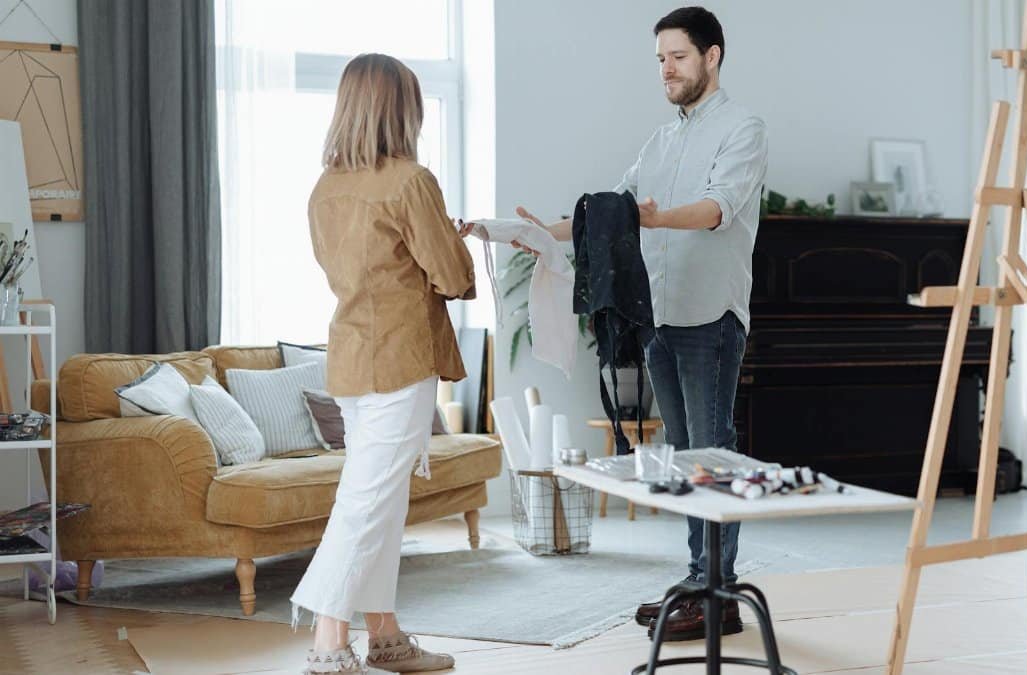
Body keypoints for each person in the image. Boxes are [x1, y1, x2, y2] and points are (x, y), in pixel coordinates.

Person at [513, 6, 768, 642]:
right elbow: (610, 215)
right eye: (660, 59)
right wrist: (539, 233)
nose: (666, 69)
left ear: (712, 57)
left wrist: (653, 220)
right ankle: (698, 583)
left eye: (678, 56)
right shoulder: (660, 141)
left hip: (711, 316)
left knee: (713, 457)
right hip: (660, 317)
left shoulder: (743, 129)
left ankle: (720, 594)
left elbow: (717, 210)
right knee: (684, 461)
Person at [292, 53, 476, 673]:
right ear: (401, 109)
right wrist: (447, 242)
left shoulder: (325, 187)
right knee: (367, 503)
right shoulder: (409, 181)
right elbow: (450, 276)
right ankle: (326, 641)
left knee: (381, 500)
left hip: (349, 359)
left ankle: (387, 637)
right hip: (398, 361)